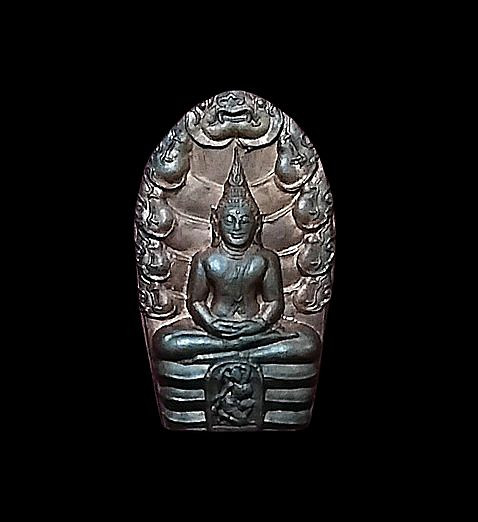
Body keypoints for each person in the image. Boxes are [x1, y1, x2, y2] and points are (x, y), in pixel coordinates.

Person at [153, 149, 320, 364]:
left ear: (256, 223)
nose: (237, 227)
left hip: (256, 328)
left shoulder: (266, 259)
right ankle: (240, 350)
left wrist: (259, 323)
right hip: (214, 329)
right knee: (165, 341)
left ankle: (232, 353)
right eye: (229, 220)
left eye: (244, 220)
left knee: (309, 343)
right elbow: (196, 301)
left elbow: (274, 301)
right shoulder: (205, 259)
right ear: (217, 222)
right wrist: (211, 323)